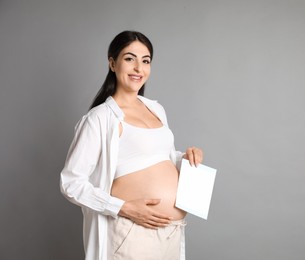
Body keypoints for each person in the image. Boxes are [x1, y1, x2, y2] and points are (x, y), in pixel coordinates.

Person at [60, 30, 203, 260]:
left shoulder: (156, 109)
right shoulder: (99, 119)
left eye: (145, 61)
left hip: (171, 234)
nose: (139, 68)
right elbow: (71, 183)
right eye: (130, 58)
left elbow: (158, 157)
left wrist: (186, 158)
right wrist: (123, 208)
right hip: (132, 233)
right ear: (112, 63)